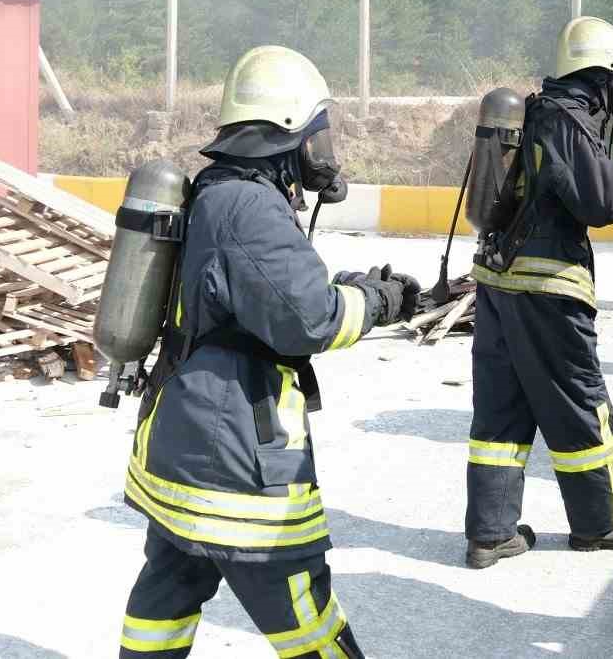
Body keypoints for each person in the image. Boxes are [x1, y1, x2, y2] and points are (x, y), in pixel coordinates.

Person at [118, 46, 417, 659]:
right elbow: (308, 321)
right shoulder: (249, 205)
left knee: (166, 597)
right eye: (318, 131)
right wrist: (381, 301)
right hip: (235, 459)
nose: (323, 148)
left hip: (181, 436)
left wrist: (351, 285)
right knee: (304, 611)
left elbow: (257, 295)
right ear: (289, 131)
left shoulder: (218, 190)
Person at [466, 16, 613, 568]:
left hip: (500, 284)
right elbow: (601, 203)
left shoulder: (537, 110)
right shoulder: (566, 120)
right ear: (603, 74)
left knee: (501, 412)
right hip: (549, 289)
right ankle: (601, 525)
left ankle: (490, 532)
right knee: (580, 403)